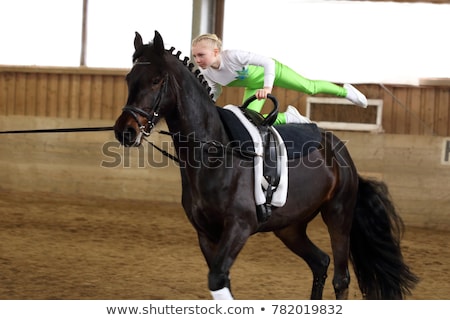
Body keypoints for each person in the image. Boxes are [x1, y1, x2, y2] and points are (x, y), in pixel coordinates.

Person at [191, 33, 368, 125]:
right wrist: (207, 104)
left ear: (215, 52)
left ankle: (345, 91)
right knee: (251, 120)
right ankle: (287, 117)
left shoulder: (233, 56)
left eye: (201, 55)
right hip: (254, 86)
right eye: (194, 56)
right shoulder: (207, 73)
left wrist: (267, 88)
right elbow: (215, 90)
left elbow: (267, 63)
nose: (197, 60)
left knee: (309, 87)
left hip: (273, 72)